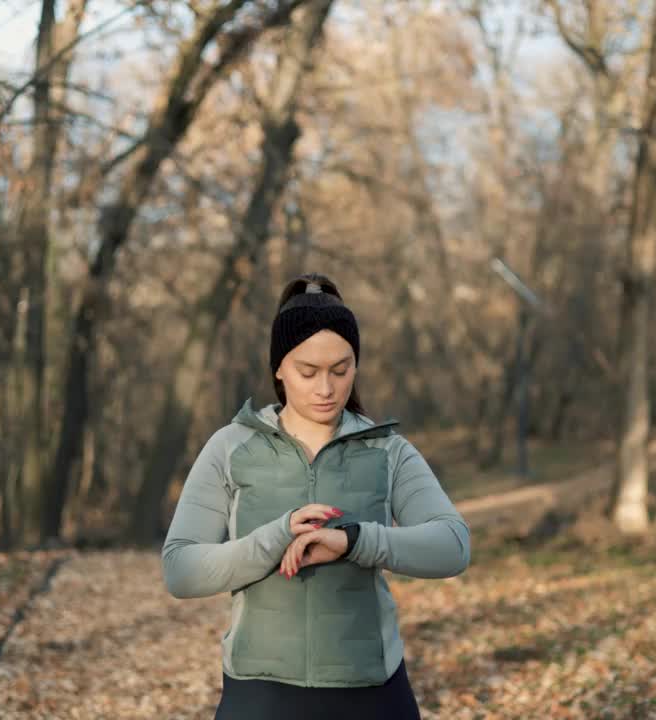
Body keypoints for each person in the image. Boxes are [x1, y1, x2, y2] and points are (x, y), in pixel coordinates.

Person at [161, 272, 472, 719]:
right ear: (279, 369)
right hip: (260, 694)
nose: (326, 388)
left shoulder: (387, 449)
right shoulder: (230, 447)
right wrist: (276, 538)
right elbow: (180, 570)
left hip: (372, 693)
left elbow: (453, 545)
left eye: (340, 370)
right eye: (308, 372)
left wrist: (356, 541)